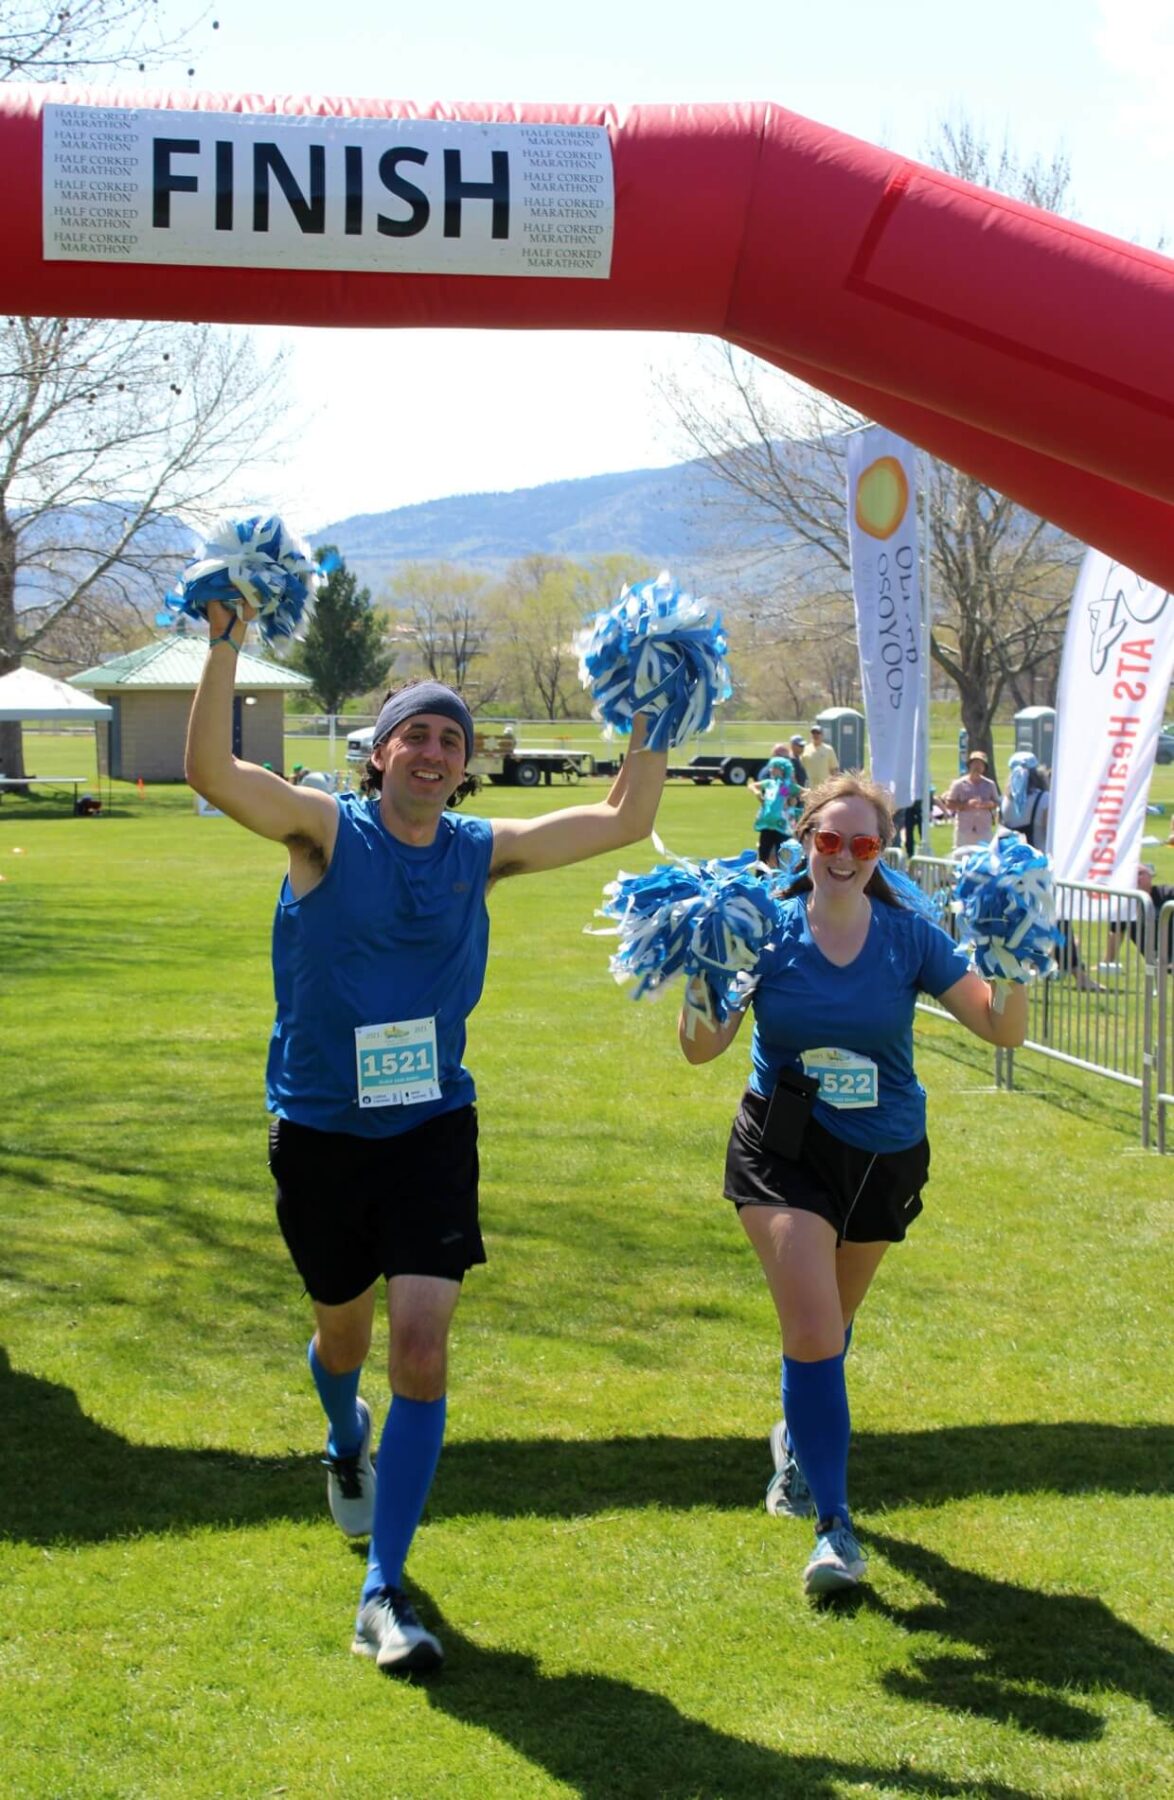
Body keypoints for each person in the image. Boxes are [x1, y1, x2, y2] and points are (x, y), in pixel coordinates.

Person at [185, 597, 668, 1676]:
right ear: (380, 753)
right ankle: (340, 1429)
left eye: (451, 740)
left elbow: (623, 819)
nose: (433, 751)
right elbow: (214, 775)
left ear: (463, 768)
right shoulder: (321, 830)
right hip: (318, 1129)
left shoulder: (478, 851)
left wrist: (657, 697)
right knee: (343, 1339)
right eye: (416, 732)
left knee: (419, 1344)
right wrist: (222, 647)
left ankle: (381, 1588)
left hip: (432, 1128)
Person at [677, 774, 1026, 1596]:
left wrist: (1015, 954)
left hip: (882, 1152)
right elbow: (702, 1047)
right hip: (783, 1147)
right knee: (812, 1325)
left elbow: (998, 1028)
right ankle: (834, 1527)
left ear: (883, 851)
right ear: (804, 842)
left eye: (862, 844)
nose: (843, 857)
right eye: (828, 841)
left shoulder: (909, 934)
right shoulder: (762, 927)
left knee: (831, 1326)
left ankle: (797, 1439)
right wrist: (699, 962)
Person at [1000, 758, 1101, 991]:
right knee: (1059, 922)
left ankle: (1030, 968)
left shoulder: (1007, 801)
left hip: (1012, 871)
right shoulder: (1043, 800)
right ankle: (1079, 975)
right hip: (1040, 871)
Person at [1102, 864, 1174, 969]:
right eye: (1131, 875)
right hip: (1158, 961)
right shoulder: (1124, 905)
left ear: (1151, 876)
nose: (1136, 878)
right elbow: (1116, 934)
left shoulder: (1168, 893)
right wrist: (1106, 963)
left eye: (1140, 874)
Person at [748, 754, 799, 867]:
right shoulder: (770, 783)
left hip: (781, 825)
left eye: (774, 767)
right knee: (763, 855)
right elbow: (752, 786)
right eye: (771, 767)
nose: (771, 770)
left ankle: (782, 881)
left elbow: (789, 800)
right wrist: (757, 793)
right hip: (767, 824)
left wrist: (790, 800)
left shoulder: (785, 786)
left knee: (781, 856)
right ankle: (760, 879)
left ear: (781, 770)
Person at [943, 751, 999, 851]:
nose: (977, 767)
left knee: (985, 856)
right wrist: (966, 804)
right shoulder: (959, 784)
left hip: (984, 829)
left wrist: (989, 804)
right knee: (961, 856)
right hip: (964, 829)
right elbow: (949, 804)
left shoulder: (990, 784)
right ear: (969, 765)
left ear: (984, 768)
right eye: (975, 764)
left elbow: (996, 802)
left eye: (980, 764)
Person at [801, 724, 838, 789]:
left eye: (818, 733)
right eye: (813, 733)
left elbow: (833, 769)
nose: (815, 735)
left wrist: (833, 785)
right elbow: (802, 766)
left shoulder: (828, 749)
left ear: (822, 735)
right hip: (810, 787)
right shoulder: (806, 749)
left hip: (824, 787)